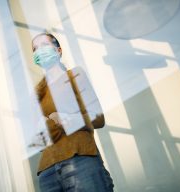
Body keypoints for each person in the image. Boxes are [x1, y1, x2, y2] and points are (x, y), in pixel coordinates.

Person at [32, 32, 114, 192]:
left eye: (44, 45)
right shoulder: (37, 93)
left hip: (80, 157)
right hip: (47, 170)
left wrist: (63, 119)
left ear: (58, 50)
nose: (39, 50)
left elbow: (98, 118)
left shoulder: (74, 75)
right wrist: (58, 121)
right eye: (35, 48)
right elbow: (38, 139)